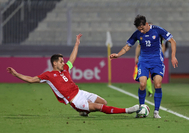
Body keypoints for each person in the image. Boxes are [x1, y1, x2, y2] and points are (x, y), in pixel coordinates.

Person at [7, 33, 140, 117]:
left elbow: (72, 59)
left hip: (80, 92)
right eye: (60, 61)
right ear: (54, 63)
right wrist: (16, 74)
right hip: (75, 100)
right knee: (100, 107)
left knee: (103, 102)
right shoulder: (48, 75)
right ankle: (127, 110)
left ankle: (84, 111)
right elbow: (30, 79)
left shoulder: (65, 68)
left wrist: (76, 44)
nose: (63, 62)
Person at [110, 15, 178, 118]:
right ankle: (142, 108)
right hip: (144, 62)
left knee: (157, 85)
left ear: (146, 24)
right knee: (142, 84)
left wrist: (173, 56)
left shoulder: (157, 30)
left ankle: (156, 112)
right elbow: (128, 46)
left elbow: (172, 41)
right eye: (139, 29)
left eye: (142, 28)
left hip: (157, 61)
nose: (141, 31)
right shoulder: (137, 34)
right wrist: (118, 55)